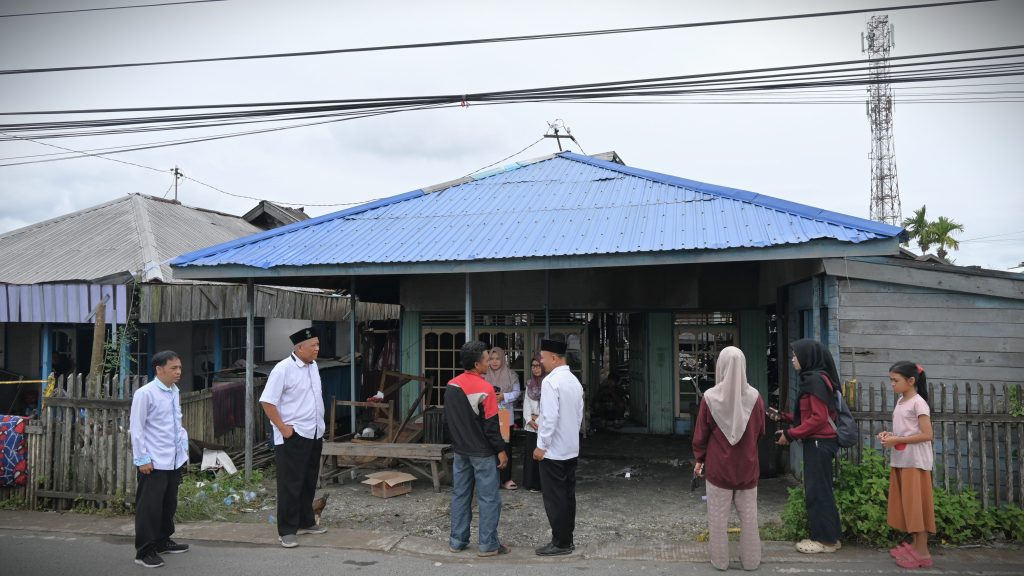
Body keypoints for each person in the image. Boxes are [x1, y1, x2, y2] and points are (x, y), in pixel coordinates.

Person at [692, 346, 765, 571]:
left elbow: (701, 436)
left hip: (718, 469)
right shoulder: (755, 398)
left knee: (717, 519)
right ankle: (751, 562)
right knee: (750, 518)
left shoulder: (710, 398)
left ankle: (720, 561)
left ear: (720, 366)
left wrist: (699, 459)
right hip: (747, 467)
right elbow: (760, 431)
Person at [260, 327, 327, 549]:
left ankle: (306, 521)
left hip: (314, 432)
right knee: (291, 483)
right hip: (294, 435)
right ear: (299, 348)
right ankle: (287, 530)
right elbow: (267, 402)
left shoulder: (313, 366)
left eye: (318, 344)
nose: (317, 349)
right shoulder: (283, 369)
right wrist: (284, 428)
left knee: (309, 480)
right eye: (313, 346)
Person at [774, 339, 842, 554]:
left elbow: (819, 418)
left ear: (807, 358)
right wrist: (783, 417)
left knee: (818, 491)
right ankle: (830, 537)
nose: (794, 359)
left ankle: (825, 541)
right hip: (819, 441)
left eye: (796, 355)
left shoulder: (814, 381)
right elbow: (811, 415)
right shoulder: (817, 378)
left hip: (819, 442)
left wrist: (790, 434)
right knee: (820, 490)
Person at [445, 340, 510, 557]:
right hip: (482, 453)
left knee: (460, 495)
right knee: (489, 498)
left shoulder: (451, 385)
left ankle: (457, 541)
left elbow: (450, 421)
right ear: (476, 364)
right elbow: (491, 427)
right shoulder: (485, 388)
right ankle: (488, 545)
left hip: (460, 451)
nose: (488, 361)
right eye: (485, 358)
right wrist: (501, 450)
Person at [130, 350, 190, 568]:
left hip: (173, 459)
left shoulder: (174, 391)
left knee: (168, 504)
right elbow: (136, 429)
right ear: (159, 369)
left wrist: (182, 450)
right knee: (150, 508)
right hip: (153, 461)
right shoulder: (145, 394)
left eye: (180, 367)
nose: (178, 372)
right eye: (174, 368)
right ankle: (144, 551)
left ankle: (163, 540)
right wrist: (142, 459)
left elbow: (176, 423)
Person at [879, 362, 935, 569]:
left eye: (895, 380)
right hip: (903, 460)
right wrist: (891, 436)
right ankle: (915, 545)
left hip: (915, 463)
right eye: (891, 380)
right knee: (908, 507)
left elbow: (927, 435)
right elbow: (907, 432)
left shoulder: (919, 403)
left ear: (911, 381)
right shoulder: (902, 400)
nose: (892, 384)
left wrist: (896, 440)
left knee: (916, 507)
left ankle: (923, 553)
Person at [533, 339, 585, 556]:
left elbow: (549, 417)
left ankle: (560, 542)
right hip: (570, 448)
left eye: (543, 357)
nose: (541, 362)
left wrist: (541, 446)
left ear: (554, 357)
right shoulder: (573, 380)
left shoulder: (550, 381)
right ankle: (567, 539)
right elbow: (579, 414)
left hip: (553, 450)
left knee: (555, 499)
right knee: (567, 496)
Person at [484, 347, 521, 490]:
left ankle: (505, 479)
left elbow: (517, 392)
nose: (494, 362)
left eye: (497, 358)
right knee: (488, 447)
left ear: (503, 359)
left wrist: (503, 396)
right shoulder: (484, 374)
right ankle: (490, 479)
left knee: (505, 447)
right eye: (491, 359)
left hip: (505, 415)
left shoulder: (511, 375)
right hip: (488, 415)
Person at [521, 354, 545, 492]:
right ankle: (531, 483)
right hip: (531, 426)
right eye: (533, 366)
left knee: (543, 456)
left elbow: (550, 407)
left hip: (544, 425)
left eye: (538, 365)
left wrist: (539, 419)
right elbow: (527, 404)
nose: (535, 369)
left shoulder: (548, 383)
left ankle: (543, 484)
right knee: (531, 455)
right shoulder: (530, 383)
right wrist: (529, 419)